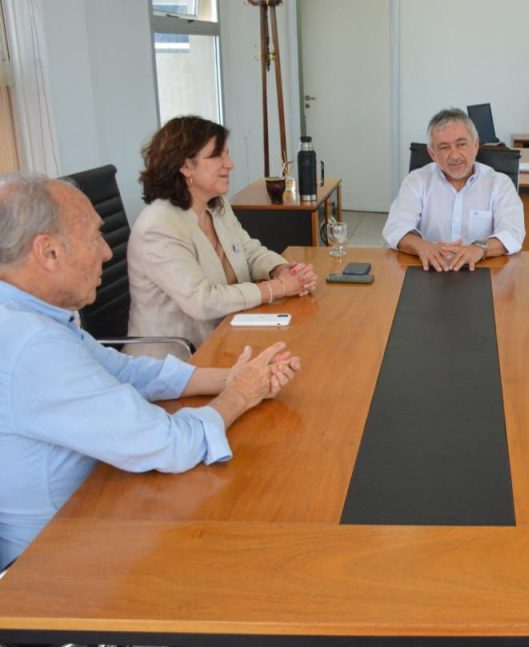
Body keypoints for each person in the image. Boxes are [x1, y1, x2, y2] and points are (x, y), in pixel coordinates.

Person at [0, 173, 303, 569]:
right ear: (48, 252)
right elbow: (171, 444)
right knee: (255, 541)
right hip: (58, 561)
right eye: (94, 237)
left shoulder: (31, 316)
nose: (108, 254)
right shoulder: (33, 346)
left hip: (103, 496)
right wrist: (238, 397)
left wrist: (233, 377)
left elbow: (124, 371)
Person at [128, 115, 318, 358]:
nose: (229, 164)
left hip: (227, 338)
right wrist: (277, 288)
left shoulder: (216, 206)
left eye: (227, 154)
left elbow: (249, 251)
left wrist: (282, 270)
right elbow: (202, 301)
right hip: (178, 363)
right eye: (218, 155)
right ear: (186, 166)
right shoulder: (159, 227)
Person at [383, 107, 525, 272]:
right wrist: (423, 247)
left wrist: (479, 249)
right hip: (429, 269)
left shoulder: (500, 184)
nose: (455, 155)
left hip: (482, 269)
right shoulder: (416, 181)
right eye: (444, 147)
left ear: (475, 145)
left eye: (461, 144)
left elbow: (513, 233)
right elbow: (395, 228)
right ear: (432, 153)